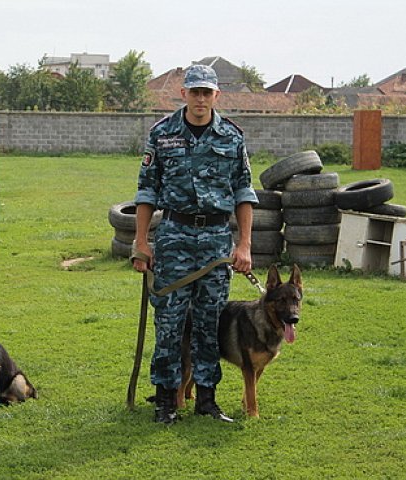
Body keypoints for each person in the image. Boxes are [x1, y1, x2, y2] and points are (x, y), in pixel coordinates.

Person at [131, 64, 258, 424]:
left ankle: (206, 399)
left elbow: (243, 193)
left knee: (210, 322)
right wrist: (141, 242)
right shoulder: (162, 134)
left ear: (217, 96)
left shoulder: (232, 137)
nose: (200, 99)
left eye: (207, 92)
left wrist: (244, 245)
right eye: (195, 92)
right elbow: (146, 191)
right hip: (173, 238)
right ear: (183, 94)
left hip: (217, 241)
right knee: (169, 323)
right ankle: (166, 401)